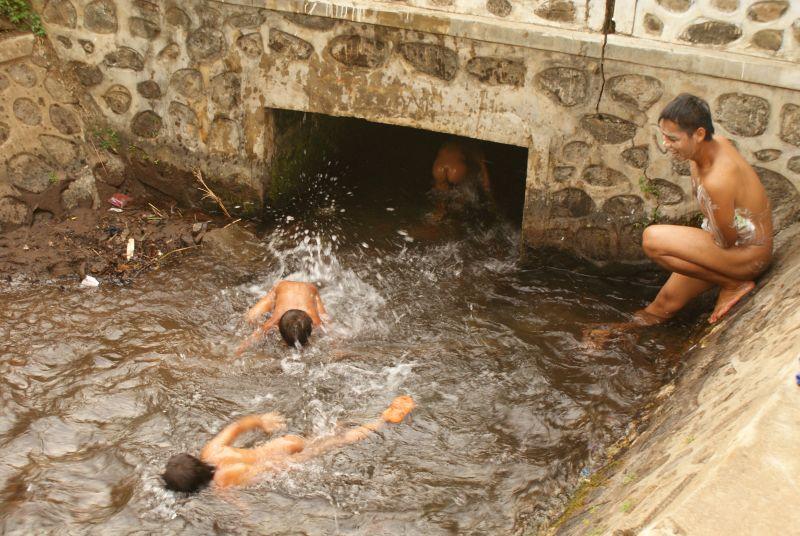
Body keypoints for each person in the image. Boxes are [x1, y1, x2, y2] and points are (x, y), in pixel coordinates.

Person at [587, 93, 773, 343]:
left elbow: (726, 239)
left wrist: (697, 245)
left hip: (746, 256)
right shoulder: (711, 144)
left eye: (673, 138)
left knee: (653, 239)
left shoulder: (717, 179)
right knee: (663, 304)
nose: (666, 144)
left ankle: (732, 284)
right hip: (728, 247)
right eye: (664, 135)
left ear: (698, 134)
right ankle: (611, 333)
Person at [161, 395, 416, 492]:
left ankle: (383, 420)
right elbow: (237, 426)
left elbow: (267, 475)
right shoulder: (211, 450)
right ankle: (359, 416)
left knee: (337, 442)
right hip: (283, 443)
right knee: (325, 435)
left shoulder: (222, 484)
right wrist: (262, 421)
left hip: (286, 460)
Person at [237, 280, 329, 352]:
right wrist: (240, 350)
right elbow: (257, 334)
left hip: (311, 289)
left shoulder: (317, 322)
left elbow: (330, 332)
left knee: (325, 319)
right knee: (250, 318)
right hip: (281, 286)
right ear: (277, 327)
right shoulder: (274, 321)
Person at [429, 139, 493, 222]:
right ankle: (457, 221)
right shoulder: (474, 145)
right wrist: (490, 197)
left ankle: (436, 220)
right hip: (457, 169)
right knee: (461, 199)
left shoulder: (448, 142)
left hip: (438, 167)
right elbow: (484, 171)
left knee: (440, 205)